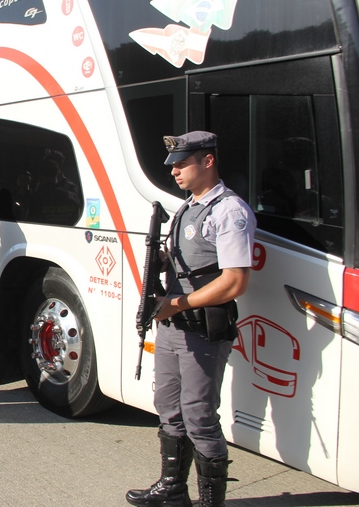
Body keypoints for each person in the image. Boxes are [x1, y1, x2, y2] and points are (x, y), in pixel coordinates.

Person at [126, 132, 255, 507]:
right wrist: (162, 263)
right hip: (172, 324)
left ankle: (211, 501)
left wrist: (178, 302)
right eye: (173, 165)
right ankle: (173, 488)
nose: (175, 171)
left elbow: (234, 281)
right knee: (168, 405)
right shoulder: (187, 207)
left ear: (208, 161)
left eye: (182, 163)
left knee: (199, 414)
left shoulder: (229, 211)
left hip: (202, 327)